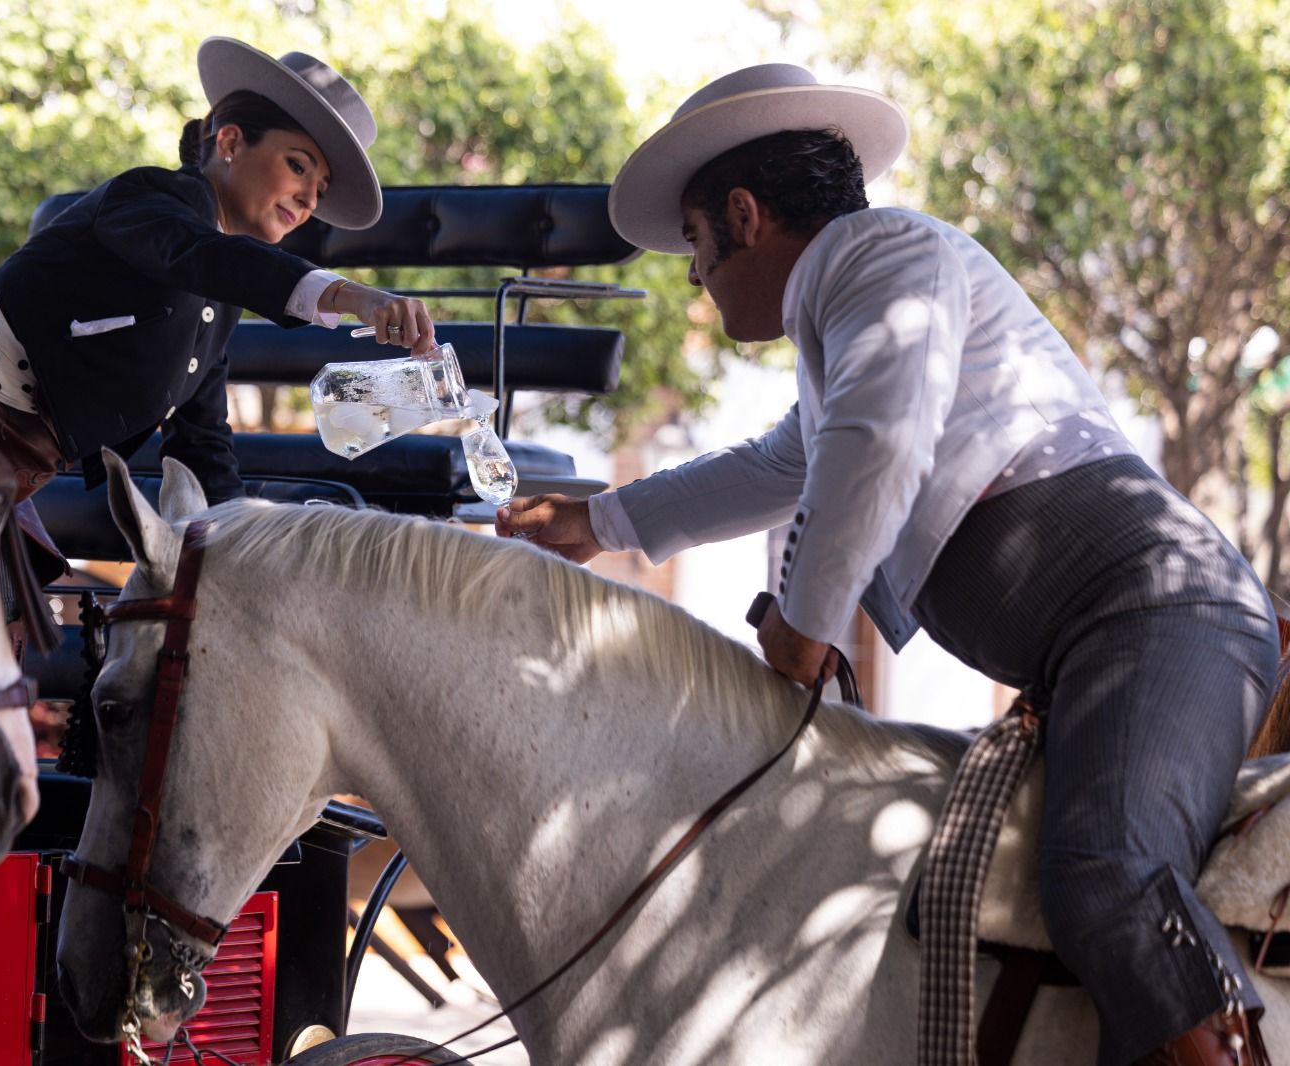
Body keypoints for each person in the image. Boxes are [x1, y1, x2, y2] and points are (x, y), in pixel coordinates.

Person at [495, 63, 1276, 1065]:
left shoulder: (880, 251)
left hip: (1160, 613)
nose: (694, 273)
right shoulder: (860, 289)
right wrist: (601, 517)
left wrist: (801, 626)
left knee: (1108, 875)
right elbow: (793, 458)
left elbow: (873, 443)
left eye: (694, 241)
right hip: (1112, 635)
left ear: (742, 212)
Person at [0, 37, 435, 543]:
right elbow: (202, 255)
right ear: (230, 142)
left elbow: (202, 445)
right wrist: (351, 296)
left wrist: (254, 541)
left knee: (16, 614)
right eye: (298, 166)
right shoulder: (155, 198)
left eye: (319, 190)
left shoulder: (219, 305)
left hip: (6, 466)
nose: (306, 198)